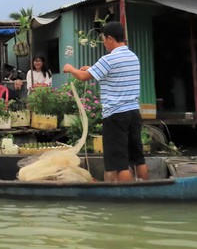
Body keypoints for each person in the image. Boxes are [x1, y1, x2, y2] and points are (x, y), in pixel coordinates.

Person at [63, 21, 149, 182]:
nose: (104, 43)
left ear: (110, 38)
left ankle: (126, 194)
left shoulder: (109, 59)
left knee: (120, 163)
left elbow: (83, 77)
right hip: (133, 113)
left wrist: (70, 69)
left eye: (104, 39)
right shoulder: (133, 57)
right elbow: (112, 72)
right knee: (138, 158)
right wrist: (92, 68)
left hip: (116, 116)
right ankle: (147, 188)